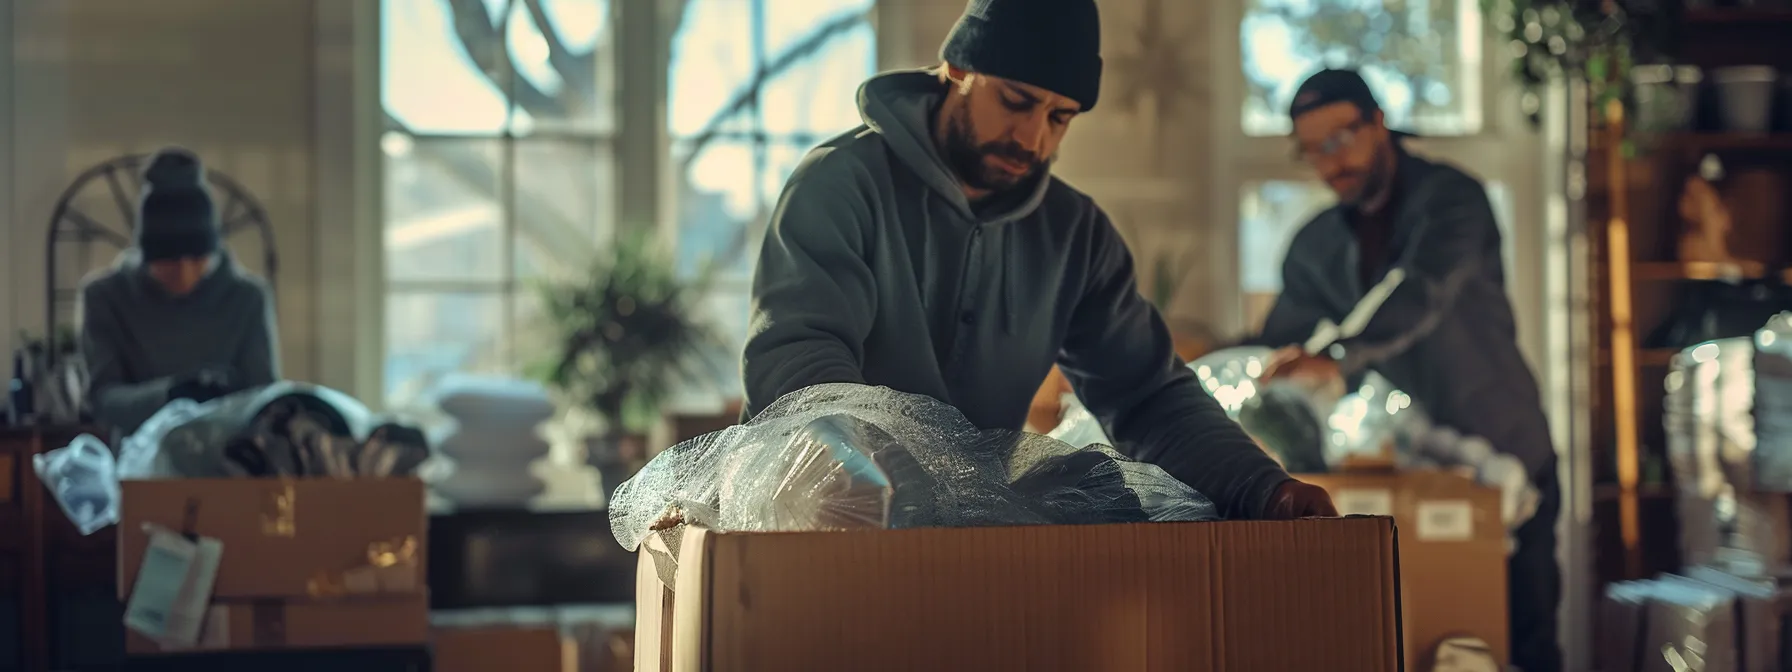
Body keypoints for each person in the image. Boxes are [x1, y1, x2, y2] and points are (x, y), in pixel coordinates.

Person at [740, 0, 1335, 521]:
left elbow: (1149, 397)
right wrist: (883, 486)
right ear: (959, 68)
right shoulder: (841, 184)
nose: (1033, 139)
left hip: (961, 540)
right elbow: (797, 364)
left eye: (1059, 117)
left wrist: (1265, 488)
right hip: (819, 523)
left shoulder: (1075, 234)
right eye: (1017, 102)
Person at [1253, 69, 1560, 671]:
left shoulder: (1453, 199)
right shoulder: (1315, 244)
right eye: (1312, 149)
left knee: (1521, 645)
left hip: (1504, 450)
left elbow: (1418, 290)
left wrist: (1335, 356)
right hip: (1406, 474)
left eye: (1339, 139)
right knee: (1422, 637)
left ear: (1378, 123)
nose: (1328, 162)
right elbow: (1279, 342)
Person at [79, 148, 281, 435]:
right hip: (137, 465)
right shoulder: (105, 298)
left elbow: (264, 401)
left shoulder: (247, 299)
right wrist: (172, 393)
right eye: (171, 261)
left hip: (228, 465)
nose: (185, 273)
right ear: (148, 255)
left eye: (196, 259)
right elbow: (102, 401)